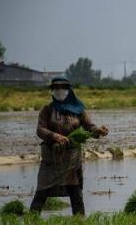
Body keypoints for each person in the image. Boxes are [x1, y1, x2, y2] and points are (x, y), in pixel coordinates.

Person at [30, 77, 108, 215]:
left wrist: (99, 131)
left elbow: (90, 127)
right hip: (53, 158)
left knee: (75, 193)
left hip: (72, 159)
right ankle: (31, 220)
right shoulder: (47, 110)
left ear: (69, 90)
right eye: (56, 88)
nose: (59, 91)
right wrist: (55, 136)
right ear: (52, 90)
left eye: (63, 88)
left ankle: (79, 222)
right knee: (41, 192)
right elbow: (40, 129)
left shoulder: (79, 110)